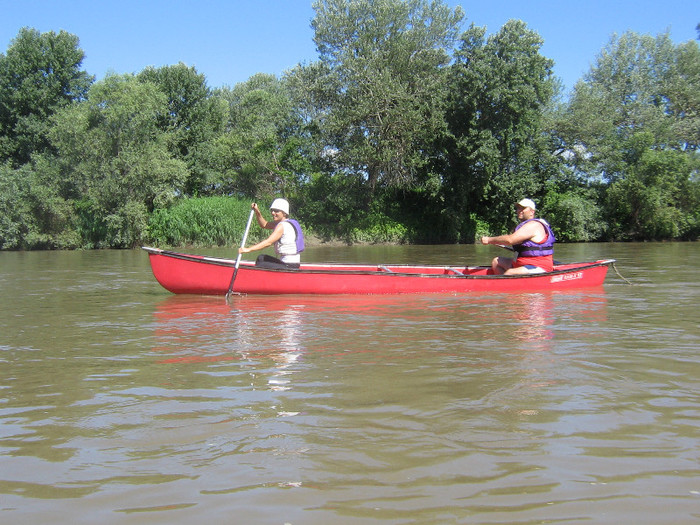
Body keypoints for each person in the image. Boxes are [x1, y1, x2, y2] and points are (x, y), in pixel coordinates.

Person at [480, 198, 556, 275]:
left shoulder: (533, 225)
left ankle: (502, 285)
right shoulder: (524, 226)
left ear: (532, 212)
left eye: (523, 208)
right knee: (496, 262)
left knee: (510, 273)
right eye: (518, 208)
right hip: (522, 264)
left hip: (539, 266)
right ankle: (506, 284)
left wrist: (489, 240)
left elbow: (510, 240)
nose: (519, 210)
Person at [239, 198, 305, 269]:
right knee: (261, 258)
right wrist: (257, 211)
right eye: (272, 210)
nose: (273, 213)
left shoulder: (282, 226)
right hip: (285, 263)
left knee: (261, 264)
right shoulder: (283, 223)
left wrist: (248, 249)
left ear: (284, 213)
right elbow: (264, 224)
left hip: (290, 265)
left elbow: (268, 242)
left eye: (276, 211)